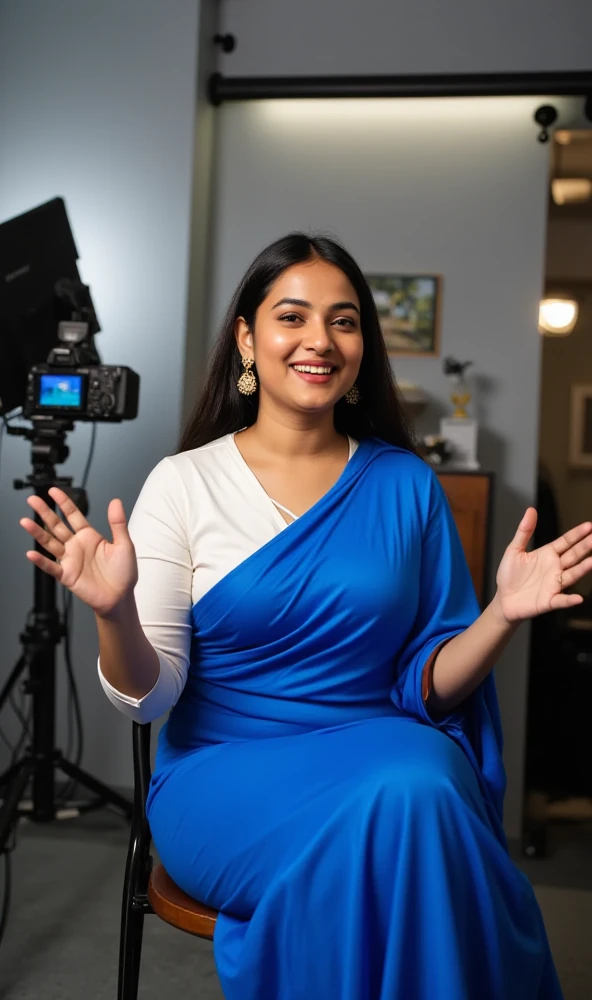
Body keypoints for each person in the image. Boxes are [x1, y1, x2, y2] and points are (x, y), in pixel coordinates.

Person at [19, 233, 592, 1000]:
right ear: (248, 338)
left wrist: (500, 615)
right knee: (413, 803)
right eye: (293, 316)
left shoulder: (406, 486)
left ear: (363, 346)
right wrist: (115, 612)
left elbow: (427, 690)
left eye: (345, 320)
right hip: (225, 775)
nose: (320, 339)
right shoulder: (184, 484)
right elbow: (150, 698)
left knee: (415, 786)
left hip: (384, 750)